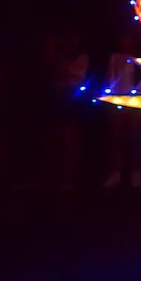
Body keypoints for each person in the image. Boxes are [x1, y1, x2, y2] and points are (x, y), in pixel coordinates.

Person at [103, 33, 141, 188]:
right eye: (123, 40)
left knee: (135, 138)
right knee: (115, 139)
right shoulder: (115, 59)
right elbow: (110, 79)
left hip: (136, 104)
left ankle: (135, 173)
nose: (125, 42)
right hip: (118, 103)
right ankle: (116, 173)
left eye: (128, 40)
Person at [46, 30, 89, 192]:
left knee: (70, 137)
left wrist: (63, 70)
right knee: (57, 135)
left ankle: (70, 176)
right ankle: (56, 175)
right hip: (59, 97)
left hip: (72, 99)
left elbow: (74, 75)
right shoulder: (60, 56)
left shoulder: (82, 57)